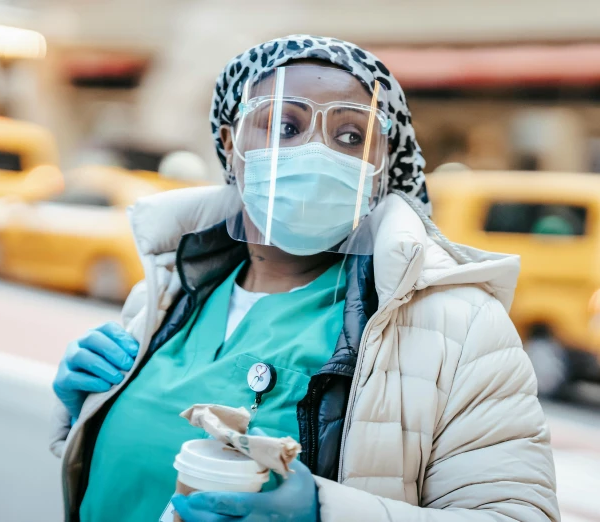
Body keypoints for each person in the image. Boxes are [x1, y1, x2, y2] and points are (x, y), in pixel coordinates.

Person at [50, 35, 559, 522]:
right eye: (284, 127)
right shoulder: (166, 293)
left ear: (381, 166)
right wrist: (84, 414)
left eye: (351, 136)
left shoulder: (459, 327)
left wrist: (326, 513)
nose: (318, 152)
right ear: (230, 143)